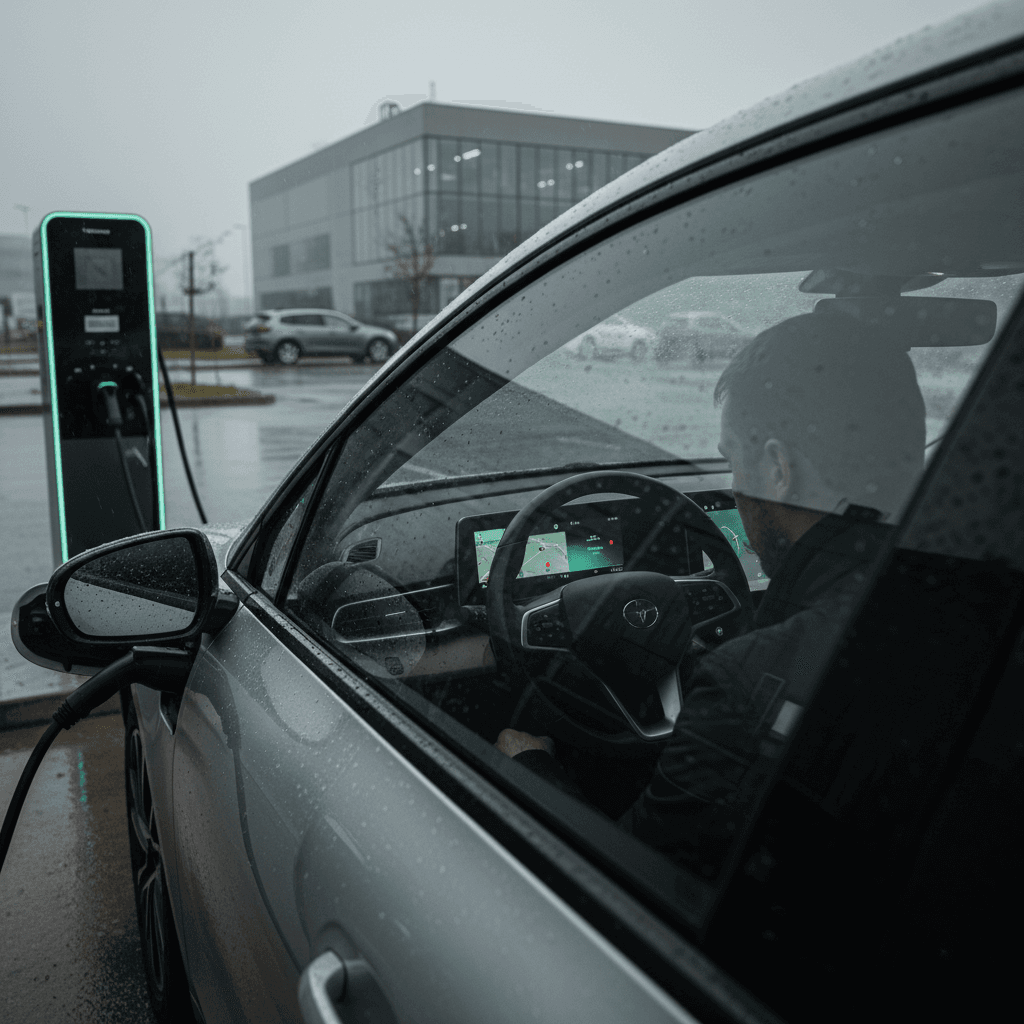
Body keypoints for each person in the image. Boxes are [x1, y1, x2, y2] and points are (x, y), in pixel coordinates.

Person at [494, 307, 927, 878]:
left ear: (777, 469)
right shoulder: (958, 594)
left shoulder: (749, 684)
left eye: (733, 464)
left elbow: (627, 878)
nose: (734, 490)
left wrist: (530, 769)